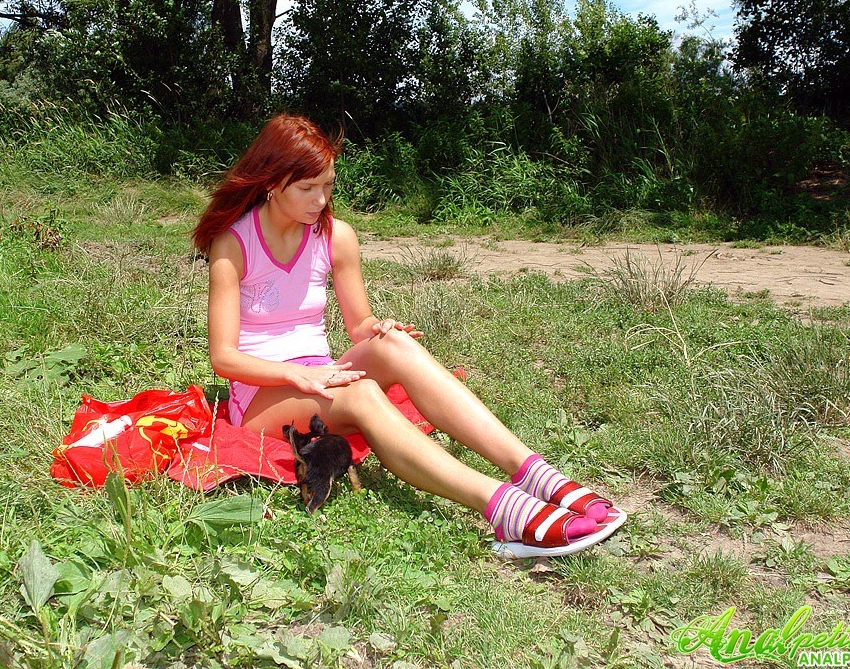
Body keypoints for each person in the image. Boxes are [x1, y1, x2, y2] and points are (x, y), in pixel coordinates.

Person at [192, 114, 624, 557]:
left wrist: (376, 331)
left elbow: (358, 323)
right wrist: (298, 376)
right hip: (263, 392)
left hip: (321, 373)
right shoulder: (234, 243)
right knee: (360, 395)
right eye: (306, 188)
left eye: (327, 185)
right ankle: (501, 508)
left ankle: (535, 474)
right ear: (270, 182)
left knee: (395, 343)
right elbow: (223, 357)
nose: (320, 200)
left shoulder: (335, 237)